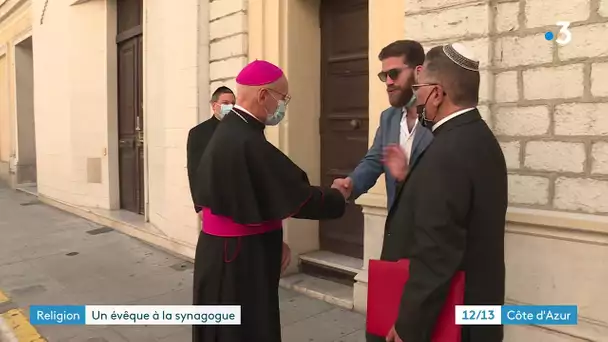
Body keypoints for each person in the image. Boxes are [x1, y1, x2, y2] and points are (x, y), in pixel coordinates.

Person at [192, 60, 348, 342]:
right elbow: (298, 197)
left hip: (223, 252)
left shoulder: (229, 130)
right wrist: (338, 195)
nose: (283, 106)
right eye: (283, 98)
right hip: (241, 259)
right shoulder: (246, 140)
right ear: (264, 95)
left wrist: (274, 238)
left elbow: (250, 196)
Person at [377, 43, 508, 342]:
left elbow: (435, 253)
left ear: (437, 93)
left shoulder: (446, 152)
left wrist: (408, 324)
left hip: (452, 320)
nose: (418, 96)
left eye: (421, 88)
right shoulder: (480, 138)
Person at [332, 40, 433, 209]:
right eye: (384, 76)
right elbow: (374, 161)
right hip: (397, 224)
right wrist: (350, 184)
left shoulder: (439, 119)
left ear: (418, 72)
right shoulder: (389, 118)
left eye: (394, 73)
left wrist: (406, 175)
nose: (388, 82)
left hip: (432, 223)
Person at [186, 86, 235, 213]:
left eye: (233, 104)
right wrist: (199, 207)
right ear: (214, 106)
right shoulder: (199, 133)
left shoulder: (242, 129)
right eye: (225, 103)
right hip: (213, 202)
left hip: (238, 200)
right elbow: (194, 171)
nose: (230, 107)